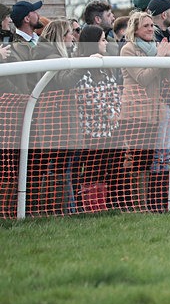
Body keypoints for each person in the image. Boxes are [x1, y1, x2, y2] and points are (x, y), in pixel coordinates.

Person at [119, 11, 170, 212]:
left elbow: (167, 76)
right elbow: (142, 78)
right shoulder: (128, 50)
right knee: (136, 160)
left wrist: (167, 58)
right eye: (146, 26)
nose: (151, 29)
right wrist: (160, 57)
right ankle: (135, 204)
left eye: (152, 25)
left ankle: (149, 204)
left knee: (149, 160)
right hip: (135, 111)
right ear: (135, 29)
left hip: (153, 111)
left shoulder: (154, 48)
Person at [31, 19, 84, 213]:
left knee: (63, 167)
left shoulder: (53, 54)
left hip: (59, 117)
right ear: (61, 37)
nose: (73, 36)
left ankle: (65, 210)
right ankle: (61, 210)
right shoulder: (50, 57)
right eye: (70, 32)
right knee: (59, 168)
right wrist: (85, 63)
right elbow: (65, 81)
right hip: (56, 119)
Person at [74, 25, 122, 210]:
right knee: (91, 171)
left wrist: (115, 111)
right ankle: (90, 206)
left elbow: (114, 93)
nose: (105, 43)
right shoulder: (83, 69)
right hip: (90, 132)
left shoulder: (105, 69)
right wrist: (110, 112)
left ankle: (103, 205)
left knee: (106, 170)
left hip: (109, 131)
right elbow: (86, 96)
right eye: (102, 39)